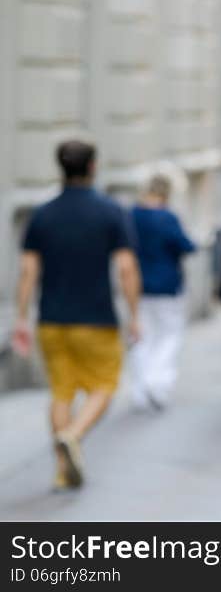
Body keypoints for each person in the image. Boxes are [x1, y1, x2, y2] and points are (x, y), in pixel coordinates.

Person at [13, 140, 141, 490]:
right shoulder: (111, 212)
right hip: (96, 318)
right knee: (104, 385)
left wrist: (22, 316)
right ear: (93, 167)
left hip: (51, 321)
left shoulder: (42, 214)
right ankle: (73, 434)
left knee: (61, 392)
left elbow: (27, 270)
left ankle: (61, 470)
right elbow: (127, 268)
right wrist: (134, 314)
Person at [128, 174, 196, 411]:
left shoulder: (132, 215)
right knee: (169, 335)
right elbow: (186, 245)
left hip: (137, 285)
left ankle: (140, 388)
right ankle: (157, 382)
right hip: (167, 285)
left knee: (141, 336)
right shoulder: (167, 218)